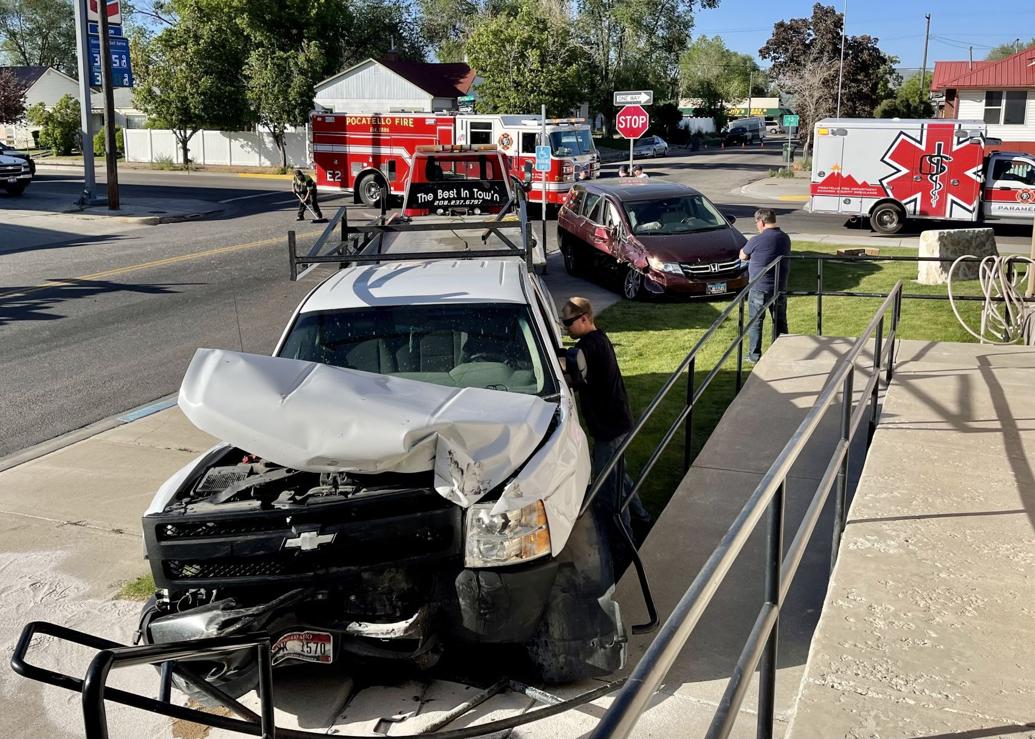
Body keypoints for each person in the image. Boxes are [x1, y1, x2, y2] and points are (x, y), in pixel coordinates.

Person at [560, 297, 652, 569]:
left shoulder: (588, 348)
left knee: (608, 489)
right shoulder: (598, 340)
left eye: (569, 322)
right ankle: (643, 519)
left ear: (585, 318)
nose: (566, 327)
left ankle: (625, 547)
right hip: (618, 422)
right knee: (621, 477)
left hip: (609, 429)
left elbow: (571, 372)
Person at [740, 208, 791, 363]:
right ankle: (781, 351)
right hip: (780, 286)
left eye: (756, 222)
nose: (756, 225)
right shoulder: (785, 238)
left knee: (756, 321)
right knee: (780, 320)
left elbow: (743, 255)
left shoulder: (757, 240)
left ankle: (754, 355)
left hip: (759, 287)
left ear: (761, 222)